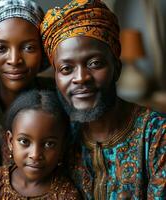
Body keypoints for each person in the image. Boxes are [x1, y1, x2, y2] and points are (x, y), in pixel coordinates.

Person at [40, 0, 166, 199]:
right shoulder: (59, 138)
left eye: (95, 63)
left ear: (116, 68)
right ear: (55, 77)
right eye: (66, 69)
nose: (81, 77)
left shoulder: (156, 135)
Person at [0, 0, 55, 165]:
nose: (15, 60)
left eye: (29, 48)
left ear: (43, 51)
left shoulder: (58, 97)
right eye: (1, 48)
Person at [0, 90, 81, 199]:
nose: (35, 154)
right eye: (24, 141)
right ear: (10, 141)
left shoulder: (67, 195)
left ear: (62, 147)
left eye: (49, 144)